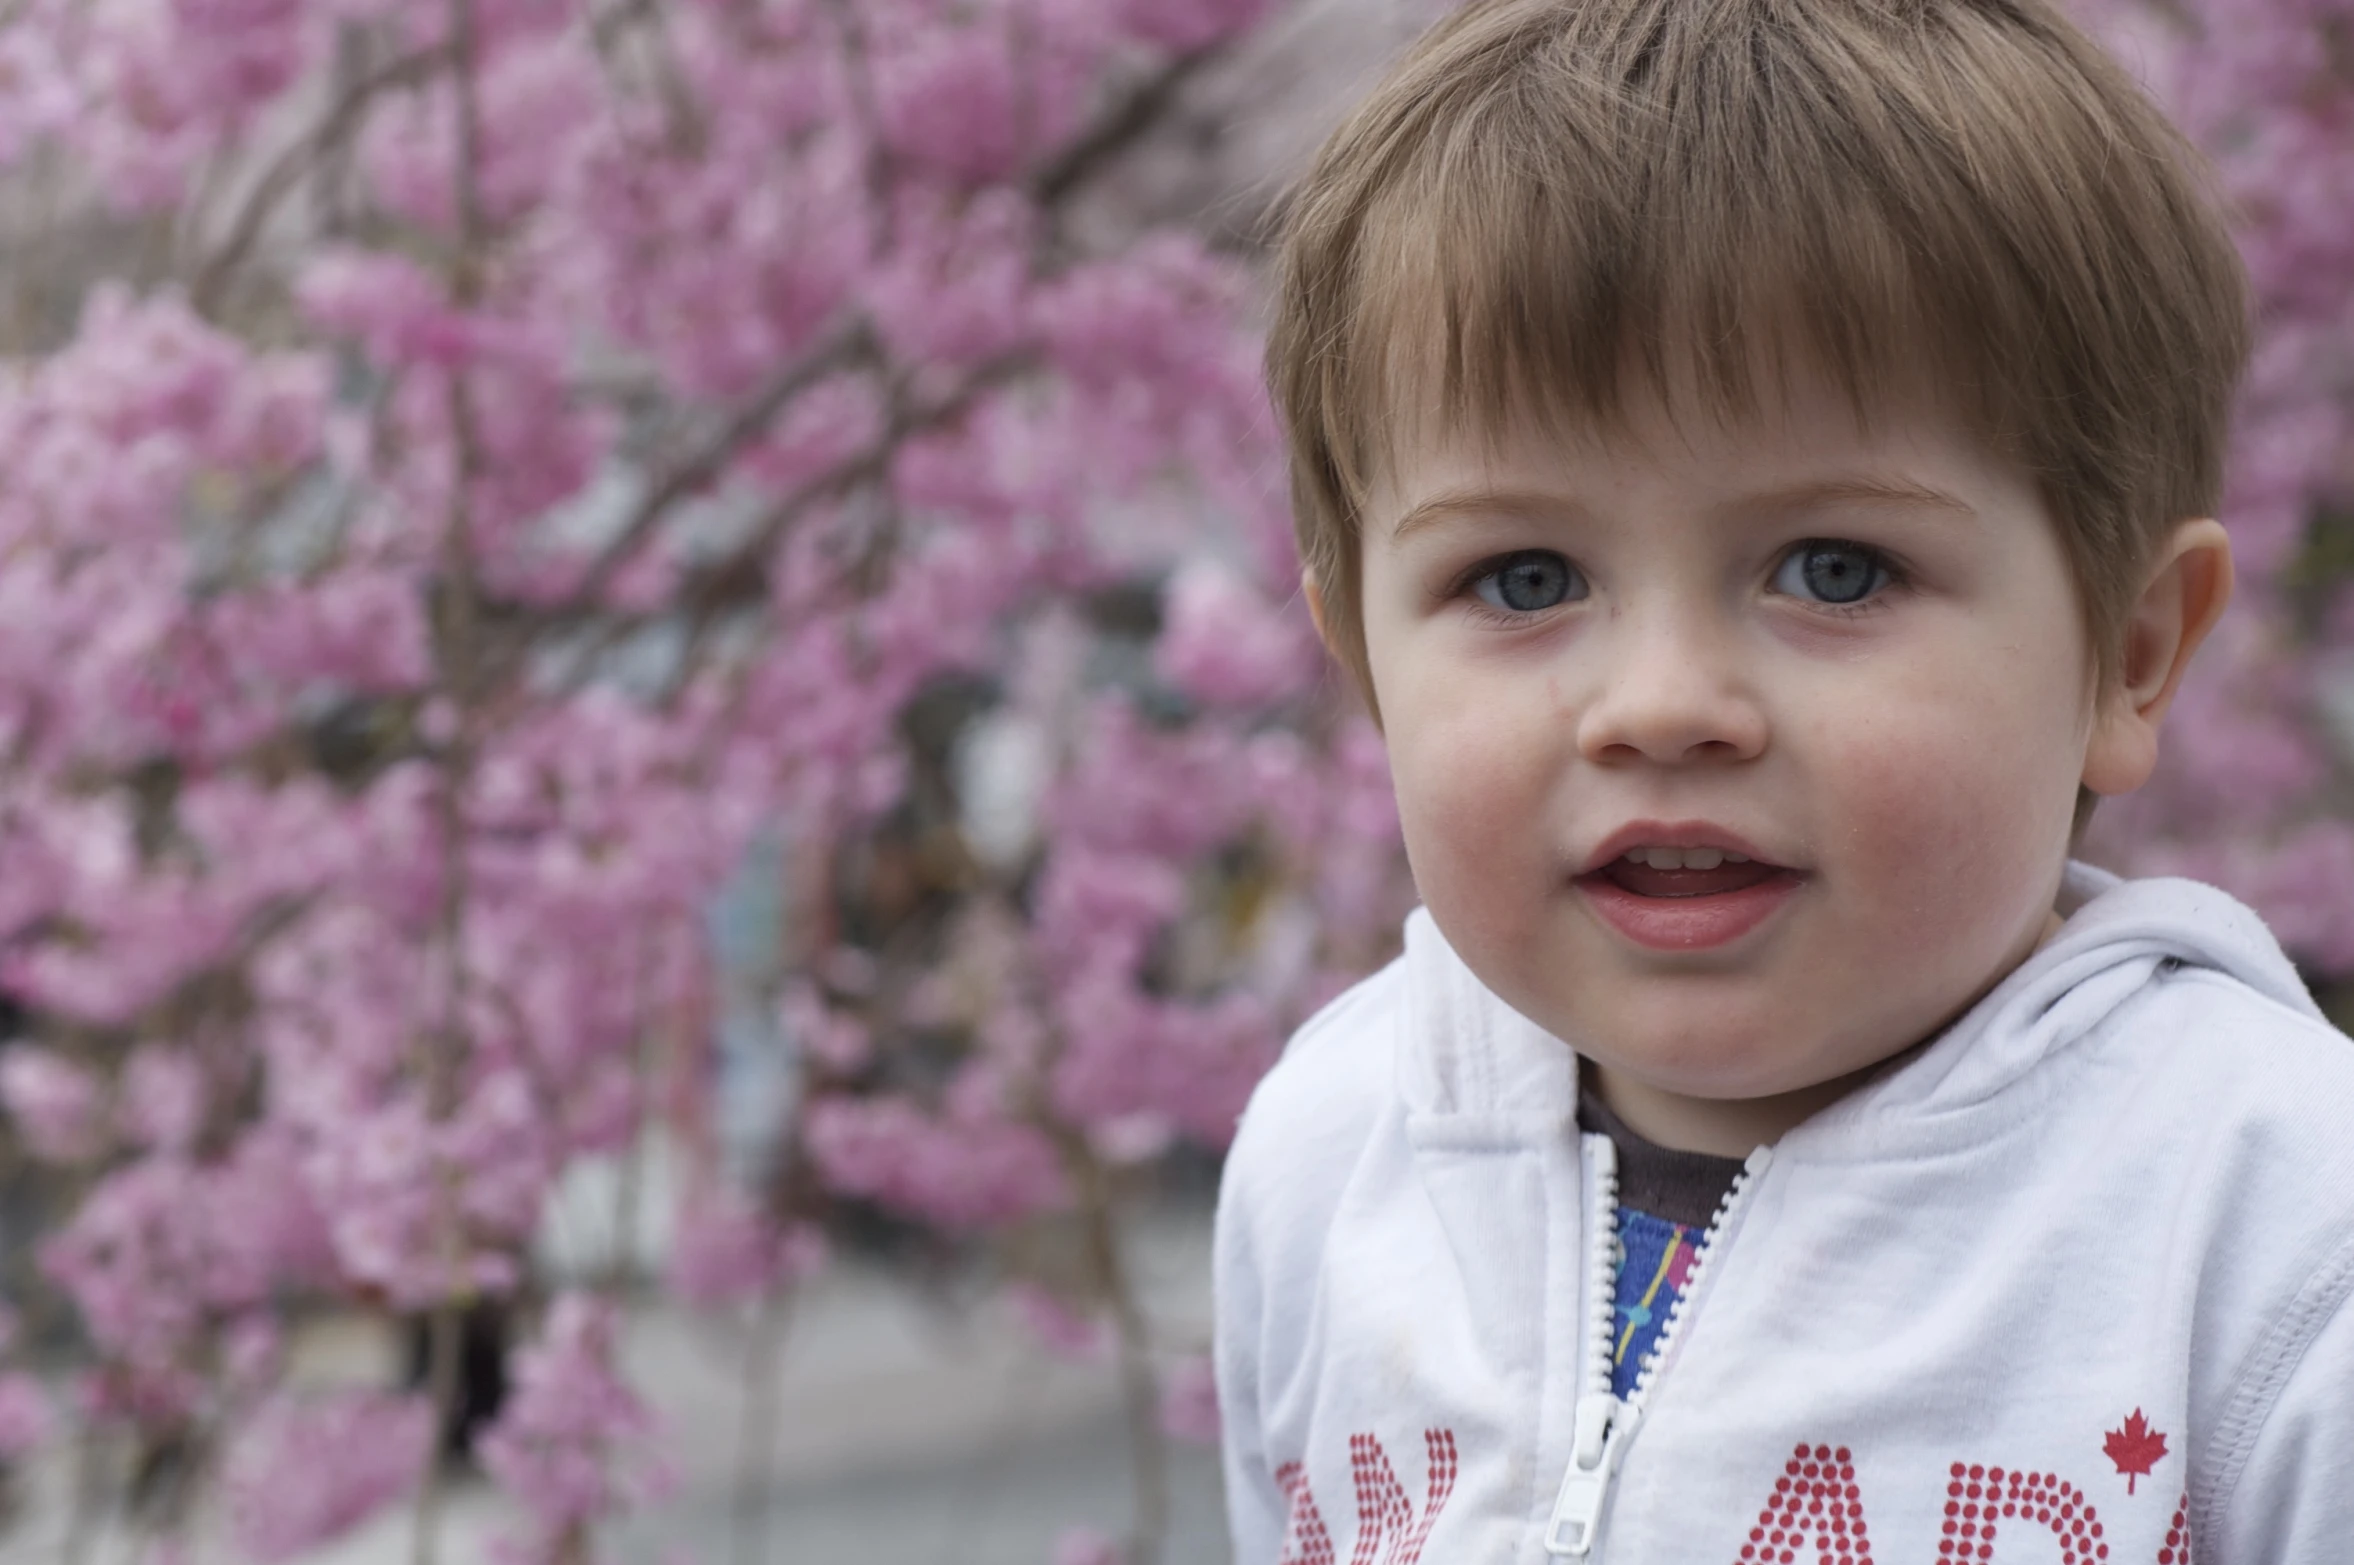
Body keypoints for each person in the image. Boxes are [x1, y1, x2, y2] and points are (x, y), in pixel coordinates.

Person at [1212, 0, 2354, 1559]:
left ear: (2127, 654)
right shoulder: (1326, 1160)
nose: (1664, 707)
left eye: (1834, 567)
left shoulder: (2275, 1236)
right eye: (1525, 578)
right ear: (1360, 664)